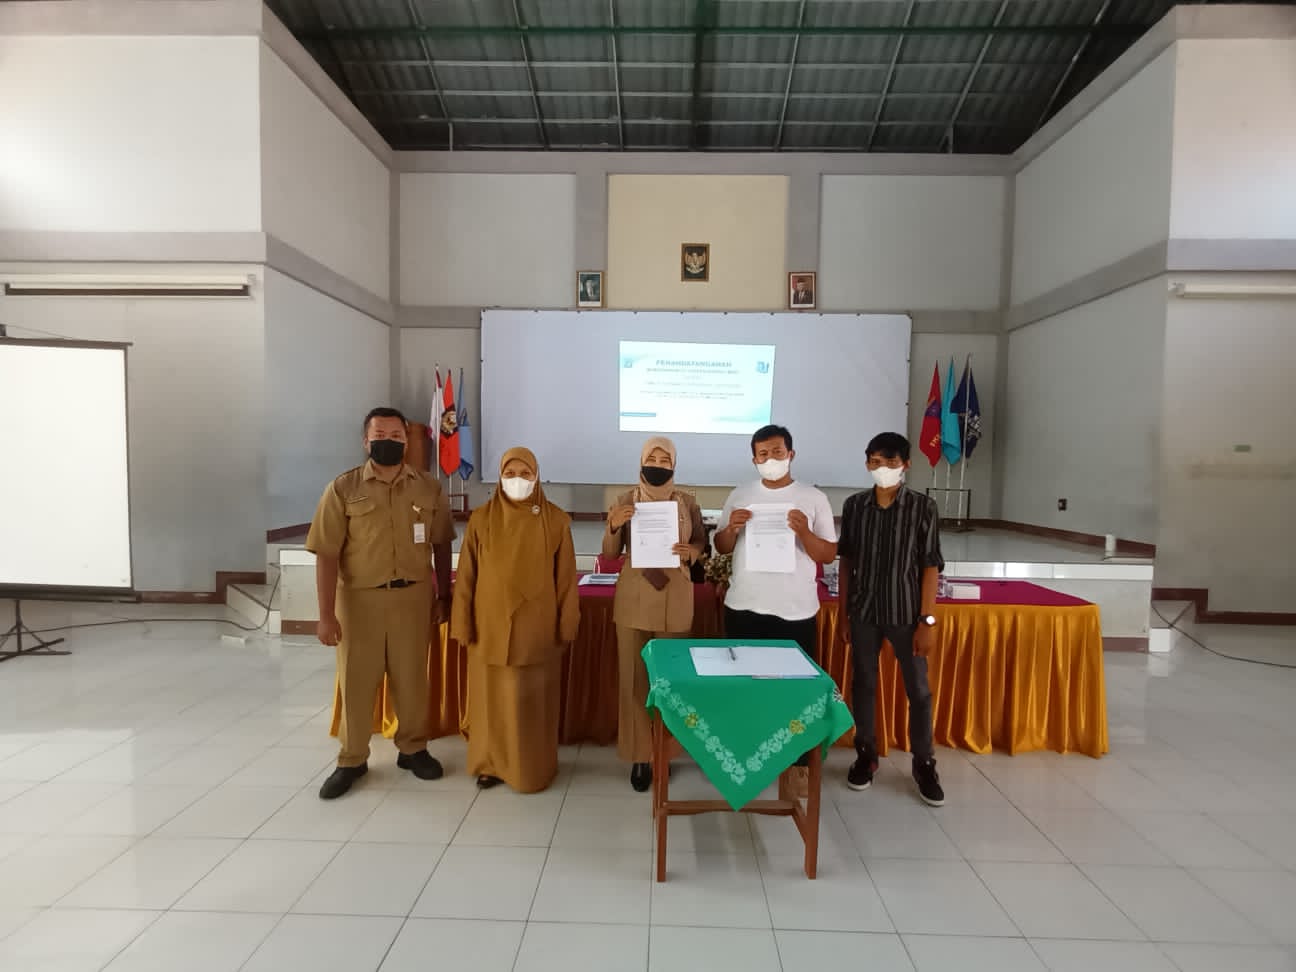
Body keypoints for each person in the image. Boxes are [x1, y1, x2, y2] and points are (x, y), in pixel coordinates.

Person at [309, 407, 454, 800]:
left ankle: (413, 749)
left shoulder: (428, 488)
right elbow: (326, 554)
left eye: (396, 436)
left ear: (406, 442)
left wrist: (443, 595)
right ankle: (352, 758)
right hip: (360, 601)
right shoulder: (343, 489)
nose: (388, 442)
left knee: (412, 680)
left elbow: (441, 543)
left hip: (413, 598)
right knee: (357, 681)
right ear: (365, 441)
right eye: (380, 436)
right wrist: (325, 616)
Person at [714, 425, 838, 784]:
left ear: (791, 454)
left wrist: (804, 533)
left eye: (777, 452)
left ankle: (797, 764)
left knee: (795, 692)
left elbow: (827, 554)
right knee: (744, 688)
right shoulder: (741, 494)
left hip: (795, 611)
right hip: (744, 607)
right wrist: (731, 529)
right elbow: (721, 546)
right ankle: (745, 753)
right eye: (763, 454)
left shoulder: (813, 497)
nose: (770, 459)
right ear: (754, 459)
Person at [451, 447, 579, 792]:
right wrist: (462, 622)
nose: (517, 480)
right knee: (491, 701)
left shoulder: (556, 521)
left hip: (537, 630)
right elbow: (466, 577)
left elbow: (567, 580)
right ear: (499, 478)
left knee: (531, 702)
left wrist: (567, 624)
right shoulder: (481, 519)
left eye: (525, 474)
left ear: (537, 477)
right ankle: (490, 764)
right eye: (510, 474)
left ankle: (532, 767)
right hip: (489, 628)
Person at [837, 432, 945, 807]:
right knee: (863, 685)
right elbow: (846, 563)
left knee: (919, 691)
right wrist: (843, 616)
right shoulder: (855, 506)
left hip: (906, 614)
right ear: (867, 463)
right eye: (875, 461)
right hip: (863, 613)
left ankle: (924, 763)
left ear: (906, 465)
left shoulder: (922, 508)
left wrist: (927, 622)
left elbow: (930, 566)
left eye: (891, 462)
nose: (882, 468)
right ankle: (866, 755)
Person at [604, 437, 706, 792]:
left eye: (665, 460)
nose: (658, 465)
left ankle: (664, 752)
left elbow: (702, 543)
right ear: (641, 461)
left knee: (670, 683)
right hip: (634, 600)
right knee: (635, 681)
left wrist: (692, 551)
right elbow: (610, 554)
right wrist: (613, 526)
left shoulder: (687, 502)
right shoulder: (624, 500)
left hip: (675, 600)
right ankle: (639, 755)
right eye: (652, 458)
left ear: (674, 465)